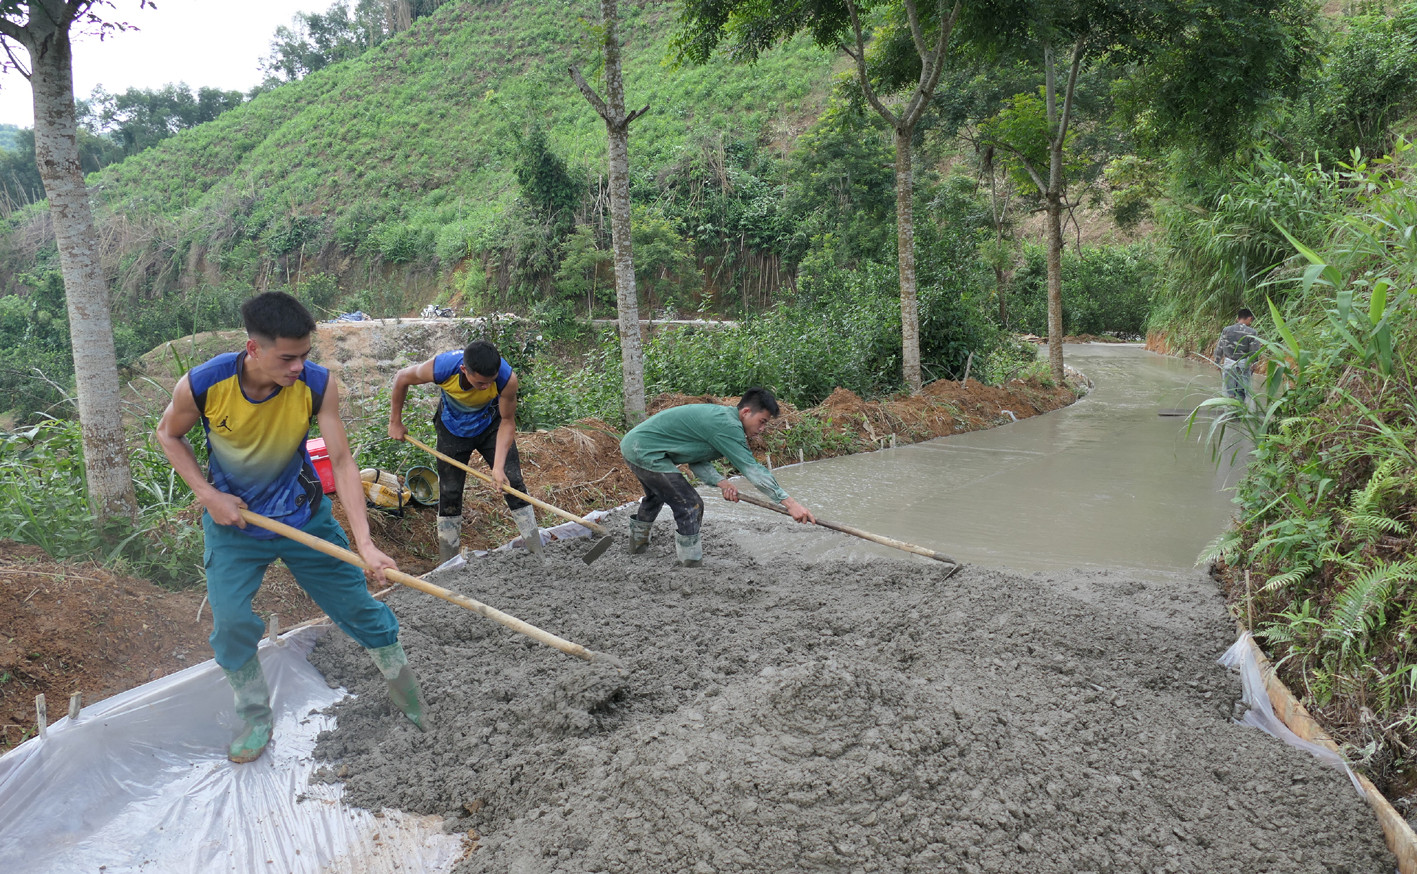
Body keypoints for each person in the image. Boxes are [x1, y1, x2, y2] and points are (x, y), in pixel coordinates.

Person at [155, 292, 427, 764]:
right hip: (236, 524)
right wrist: (207, 494)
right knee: (233, 624)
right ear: (253, 349)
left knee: (360, 608)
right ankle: (256, 716)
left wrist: (365, 542)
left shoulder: (318, 385)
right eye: (288, 357)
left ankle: (409, 698)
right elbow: (168, 434)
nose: (299, 366)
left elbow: (341, 461)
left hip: (305, 516)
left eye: (304, 355)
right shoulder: (203, 385)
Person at [619, 388, 816, 567]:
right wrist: (791, 504)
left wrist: (722, 483)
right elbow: (752, 470)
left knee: (657, 495)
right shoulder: (727, 425)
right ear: (746, 412)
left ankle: (637, 547)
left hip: (637, 447)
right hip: (645, 451)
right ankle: (691, 563)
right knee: (690, 505)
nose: (762, 428)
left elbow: (696, 460)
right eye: (762, 421)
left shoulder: (722, 420)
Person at [387, 340, 541, 562]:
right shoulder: (442, 368)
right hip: (452, 429)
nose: (486, 387)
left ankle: (537, 551)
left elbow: (507, 421)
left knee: (513, 482)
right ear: (464, 370)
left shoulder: (507, 380)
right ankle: (448, 563)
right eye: (480, 383)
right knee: (449, 491)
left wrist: (497, 468)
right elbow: (402, 377)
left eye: (490, 382)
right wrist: (395, 422)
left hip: (491, 426)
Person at [1213, 308, 1263, 405]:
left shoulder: (1226, 330)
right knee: (1241, 390)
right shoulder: (1252, 332)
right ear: (1250, 318)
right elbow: (1254, 351)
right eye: (1251, 320)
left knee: (1229, 389)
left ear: (1237, 318)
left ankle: (1230, 410)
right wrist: (1255, 363)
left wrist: (1217, 361)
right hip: (1243, 364)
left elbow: (1220, 347)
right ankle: (1239, 411)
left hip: (1228, 363)